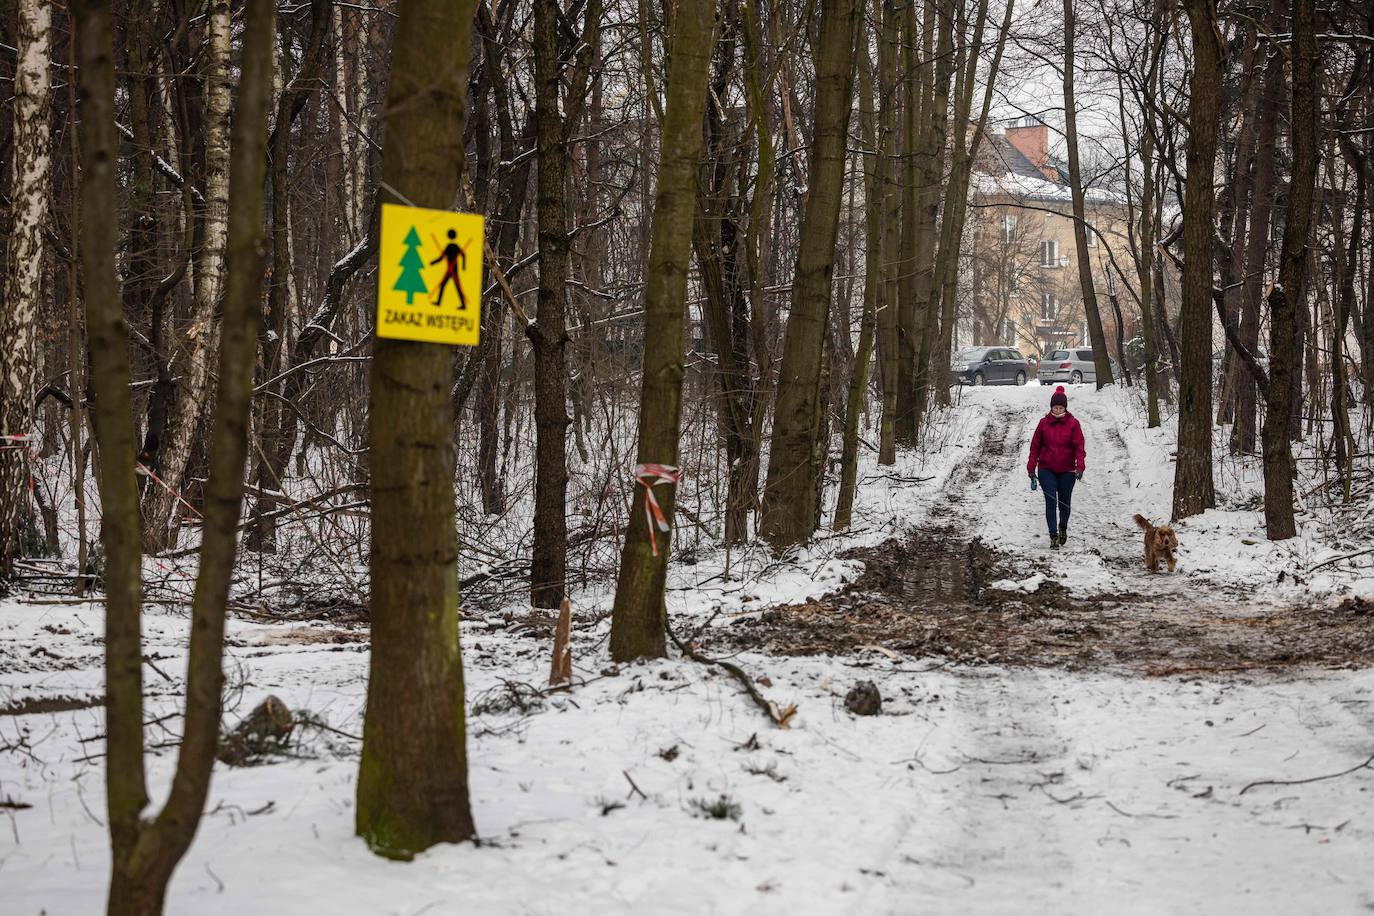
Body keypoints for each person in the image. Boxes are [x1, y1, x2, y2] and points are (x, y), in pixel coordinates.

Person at [1026, 385, 1085, 549]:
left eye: (1060, 407)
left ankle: (1063, 528)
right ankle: (1053, 536)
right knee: (1051, 501)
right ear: (1051, 407)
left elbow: (1079, 447)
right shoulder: (1043, 424)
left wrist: (1080, 467)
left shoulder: (1073, 424)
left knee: (1064, 502)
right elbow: (1035, 447)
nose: (1058, 410)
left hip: (1067, 470)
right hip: (1047, 469)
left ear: (1065, 407)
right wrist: (1031, 468)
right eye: (1055, 407)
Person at [430, 229, 468, 309]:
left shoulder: (450, 247)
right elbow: (463, 255)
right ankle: (439, 302)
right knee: (444, 285)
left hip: (453, 270)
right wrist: (432, 263)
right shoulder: (453, 246)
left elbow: (441, 258)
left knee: (455, 287)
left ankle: (463, 305)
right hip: (450, 270)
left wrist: (464, 267)